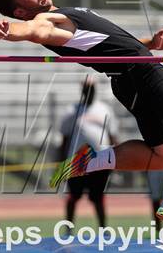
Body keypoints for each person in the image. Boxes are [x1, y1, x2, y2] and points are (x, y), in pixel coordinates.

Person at [0, 0, 163, 236]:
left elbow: (107, 44)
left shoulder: (64, 17)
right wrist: (9, 30)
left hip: (127, 79)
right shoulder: (47, 21)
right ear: (20, 10)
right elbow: (35, 31)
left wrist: (150, 43)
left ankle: (90, 161)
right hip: (142, 72)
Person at [58, 79, 118, 231]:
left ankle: (103, 230)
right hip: (77, 161)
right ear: (82, 90)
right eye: (86, 88)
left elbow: (112, 136)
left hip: (100, 160)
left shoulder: (104, 109)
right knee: (73, 196)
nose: (89, 92)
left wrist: (116, 159)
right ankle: (68, 230)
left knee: (97, 197)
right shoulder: (72, 111)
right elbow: (65, 138)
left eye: (91, 88)